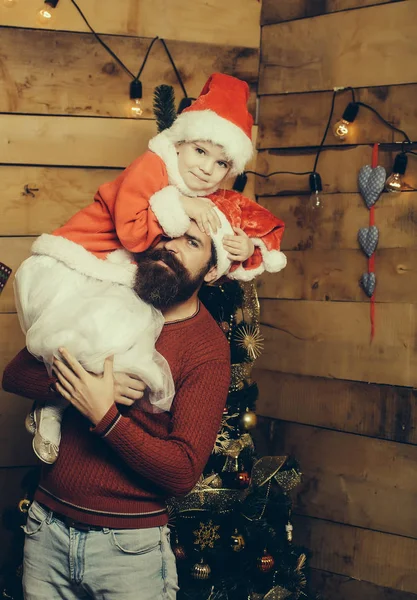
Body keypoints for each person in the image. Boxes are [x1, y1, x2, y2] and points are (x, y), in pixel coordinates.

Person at [14, 72, 287, 464]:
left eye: (221, 162)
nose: (208, 168)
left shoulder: (203, 346)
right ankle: (53, 406)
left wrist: (246, 247)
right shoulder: (153, 166)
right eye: (200, 152)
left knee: (107, 339)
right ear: (179, 143)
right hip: (80, 262)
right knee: (87, 337)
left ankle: (54, 407)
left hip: (110, 269)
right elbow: (132, 233)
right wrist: (182, 207)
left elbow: (243, 219)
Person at [2, 220, 233, 600]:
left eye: (192, 242)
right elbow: (16, 375)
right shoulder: (110, 296)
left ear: (212, 270)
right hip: (47, 530)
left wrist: (104, 415)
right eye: (168, 232)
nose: (172, 246)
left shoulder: (206, 349)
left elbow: (182, 472)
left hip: (128, 551)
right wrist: (93, 379)